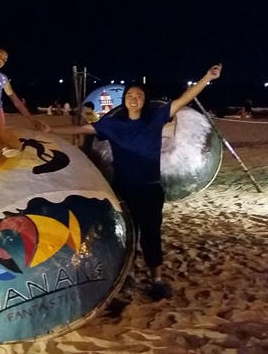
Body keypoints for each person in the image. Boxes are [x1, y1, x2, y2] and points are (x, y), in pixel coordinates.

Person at [38, 63, 222, 301]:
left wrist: (206, 77)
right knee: (127, 235)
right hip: (123, 189)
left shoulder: (155, 119)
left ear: (145, 100)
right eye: (130, 95)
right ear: (124, 100)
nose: (134, 98)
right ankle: (126, 276)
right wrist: (52, 128)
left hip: (150, 188)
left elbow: (183, 99)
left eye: (139, 96)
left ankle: (156, 279)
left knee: (151, 235)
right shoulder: (112, 124)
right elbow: (84, 128)